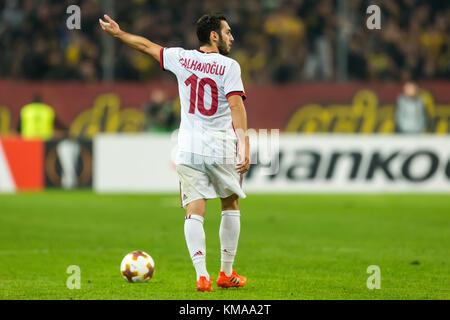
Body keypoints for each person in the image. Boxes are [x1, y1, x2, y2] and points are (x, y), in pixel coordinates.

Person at [99, 13, 250, 292]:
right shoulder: (229, 66)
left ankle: (201, 276)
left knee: (195, 209)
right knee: (229, 204)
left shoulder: (181, 58)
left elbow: (146, 46)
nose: (232, 37)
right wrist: (244, 144)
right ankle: (225, 274)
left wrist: (119, 34)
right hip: (220, 146)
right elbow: (237, 106)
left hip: (188, 147)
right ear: (213, 36)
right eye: (228, 32)